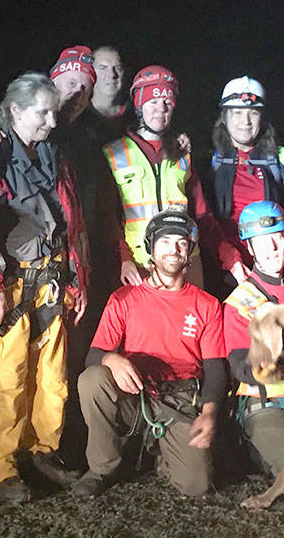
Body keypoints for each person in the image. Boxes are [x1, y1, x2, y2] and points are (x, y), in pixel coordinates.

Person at [0, 72, 90, 503]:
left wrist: (75, 275)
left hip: (51, 279)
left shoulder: (53, 153)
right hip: (10, 283)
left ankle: (42, 453)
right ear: (15, 110)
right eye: (42, 112)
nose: (51, 121)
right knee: (4, 375)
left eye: (54, 112)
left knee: (51, 376)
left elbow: (70, 219)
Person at [73, 210, 227, 497]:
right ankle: (102, 468)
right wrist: (110, 358)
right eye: (165, 242)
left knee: (197, 485)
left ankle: (160, 454)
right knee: (93, 379)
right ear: (151, 249)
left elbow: (216, 367)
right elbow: (92, 357)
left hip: (179, 398)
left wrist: (209, 414)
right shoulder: (123, 298)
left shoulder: (207, 304)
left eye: (181, 242)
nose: (174, 249)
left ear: (190, 250)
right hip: (136, 393)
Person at [102, 65, 238, 289]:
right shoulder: (114, 153)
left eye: (167, 103)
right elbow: (107, 217)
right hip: (140, 266)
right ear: (139, 106)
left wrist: (230, 258)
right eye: (153, 102)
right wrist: (123, 259)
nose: (160, 109)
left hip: (185, 263)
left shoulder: (182, 154)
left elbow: (202, 216)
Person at [221, 201, 284, 479]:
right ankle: (254, 453)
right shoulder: (240, 302)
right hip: (266, 404)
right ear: (250, 248)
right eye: (262, 242)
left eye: (278, 239)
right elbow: (241, 366)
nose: (272, 249)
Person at [206, 77, 284, 284]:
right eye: (237, 113)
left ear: (262, 118)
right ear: (224, 116)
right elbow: (205, 217)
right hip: (226, 267)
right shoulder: (211, 160)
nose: (245, 122)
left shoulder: (279, 157)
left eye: (253, 113)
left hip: (272, 264)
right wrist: (229, 259)